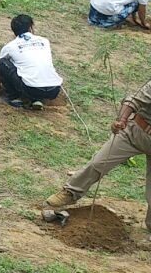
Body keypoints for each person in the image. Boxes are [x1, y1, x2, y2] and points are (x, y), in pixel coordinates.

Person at [45, 76, 151, 232]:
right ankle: (71, 192)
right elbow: (134, 101)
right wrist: (121, 120)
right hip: (134, 133)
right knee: (98, 163)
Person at [0, 14, 63, 110]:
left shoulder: (10, 46)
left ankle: (15, 97)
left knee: (2, 63)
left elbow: (0, 65)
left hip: (31, 89)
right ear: (31, 28)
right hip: (54, 89)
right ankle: (36, 100)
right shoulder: (44, 41)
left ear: (14, 31)